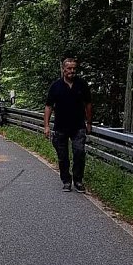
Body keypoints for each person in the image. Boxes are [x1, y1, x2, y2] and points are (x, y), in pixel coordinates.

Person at [44, 57, 92, 192]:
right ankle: (66, 180)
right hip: (60, 127)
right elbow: (48, 106)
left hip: (78, 126)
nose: (72, 71)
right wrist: (46, 126)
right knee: (63, 155)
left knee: (79, 152)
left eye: (74, 68)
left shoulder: (82, 85)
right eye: (69, 68)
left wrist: (89, 122)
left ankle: (78, 180)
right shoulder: (56, 86)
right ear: (63, 69)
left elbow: (88, 104)